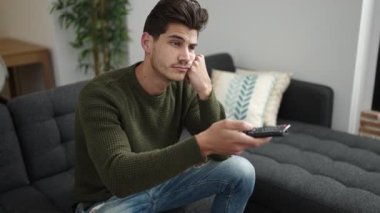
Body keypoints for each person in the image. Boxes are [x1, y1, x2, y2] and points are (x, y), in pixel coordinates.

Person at [73, 0, 270, 212]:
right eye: (176, 43)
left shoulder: (182, 87)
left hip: (161, 187)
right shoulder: (100, 94)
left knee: (241, 170)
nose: (186, 56)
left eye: (191, 47)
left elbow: (220, 155)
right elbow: (119, 177)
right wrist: (201, 144)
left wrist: (206, 91)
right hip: (110, 201)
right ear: (147, 43)